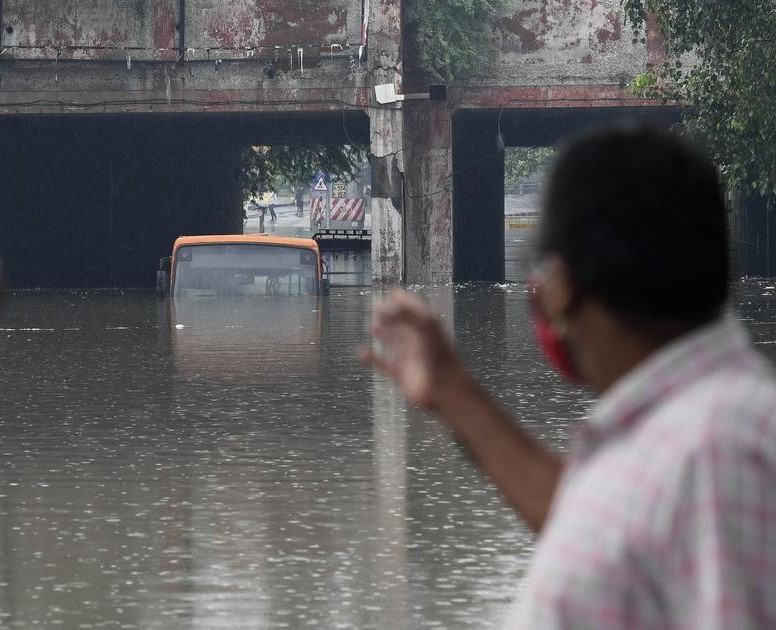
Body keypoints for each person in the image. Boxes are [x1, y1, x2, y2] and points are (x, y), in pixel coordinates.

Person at [360, 125, 776, 628]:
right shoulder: (686, 429)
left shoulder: (717, 449)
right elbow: (595, 528)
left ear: (556, 287)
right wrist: (453, 394)